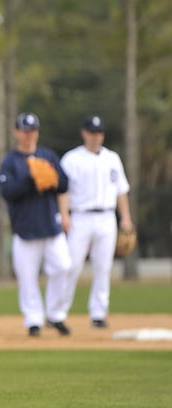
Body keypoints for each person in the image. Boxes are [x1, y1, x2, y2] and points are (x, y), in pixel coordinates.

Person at [55, 115, 133, 328]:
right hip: (80, 216)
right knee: (72, 265)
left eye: (99, 132)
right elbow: (62, 191)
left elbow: (121, 191)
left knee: (103, 266)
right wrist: (64, 215)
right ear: (84, 133)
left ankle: (98, 314)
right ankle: (58, 313)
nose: (96, 136)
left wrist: (125, 218)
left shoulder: (112, 158)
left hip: (107, 217)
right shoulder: (71, 159)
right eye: (92, 132)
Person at [0, 112, 71, 337]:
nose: (29, 135)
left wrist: (54, 179)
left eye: (33, 131)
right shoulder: (11, 161)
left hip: (51, 224)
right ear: (16, 133)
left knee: (63, 267)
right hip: (25, 229)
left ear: (37, 133)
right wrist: (30, 179)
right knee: (27, 277)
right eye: (25, 131)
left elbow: (64, 184)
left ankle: (55, 315)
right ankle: (33, 320)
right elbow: (7, 192)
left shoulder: (47, 156)